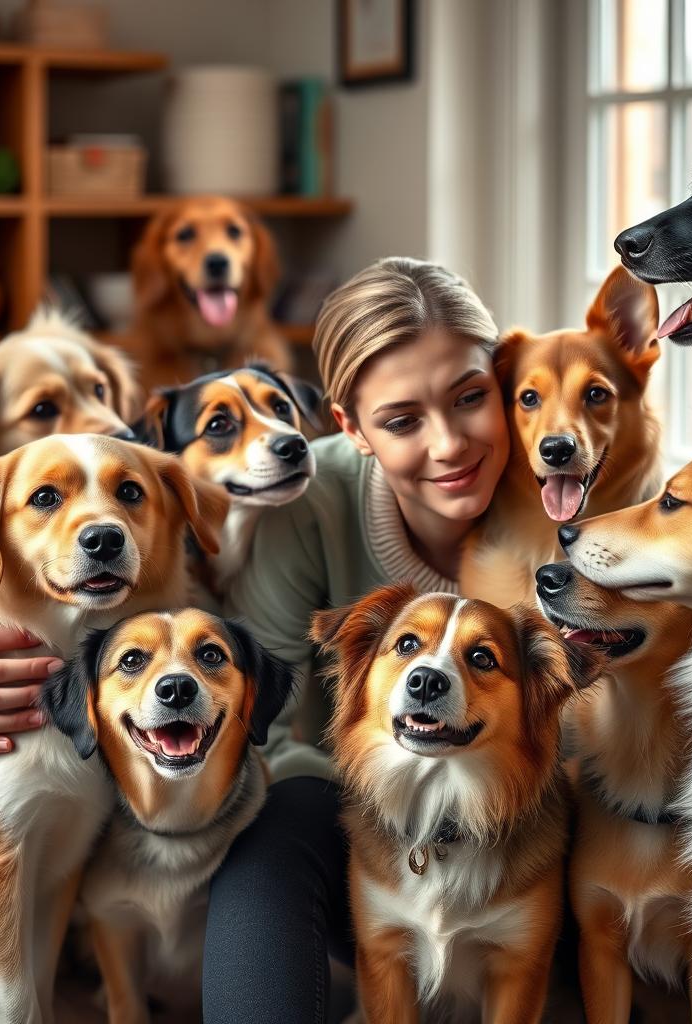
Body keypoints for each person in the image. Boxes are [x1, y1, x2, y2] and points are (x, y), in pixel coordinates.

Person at [202, 257, 510, 1021]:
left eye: (471, 398)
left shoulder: (576, 487)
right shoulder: (310, 507)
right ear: (352, 428)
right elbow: (257, 732)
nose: (449, 445)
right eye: (403, 421)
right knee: (271, 831)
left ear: (502, 379)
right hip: (367, 828)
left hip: (544, 839)